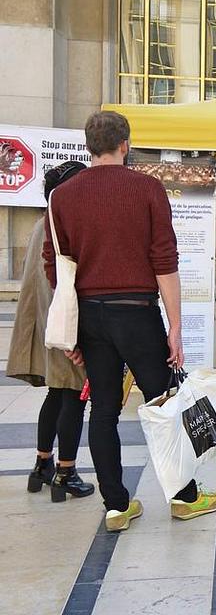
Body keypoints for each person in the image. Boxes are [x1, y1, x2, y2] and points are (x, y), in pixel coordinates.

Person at [43, 111, 216, 532]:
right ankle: (184, 498)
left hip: (90, 313)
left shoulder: (62, 197)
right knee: (163, 403)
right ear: (125, 144)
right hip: (137, 312)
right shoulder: (147, 188)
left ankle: (116, 506)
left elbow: (56, 266)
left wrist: (72, 330)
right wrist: (175, 326)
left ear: (88, 146)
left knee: (103, 409)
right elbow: (164, 260)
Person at [9, 161, 93, 502]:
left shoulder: (41, 223)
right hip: (65, 325)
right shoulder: (64, 225)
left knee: (56, 394)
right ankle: (65, 472)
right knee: (73, 395)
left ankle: (41, 465)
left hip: (45, 322)